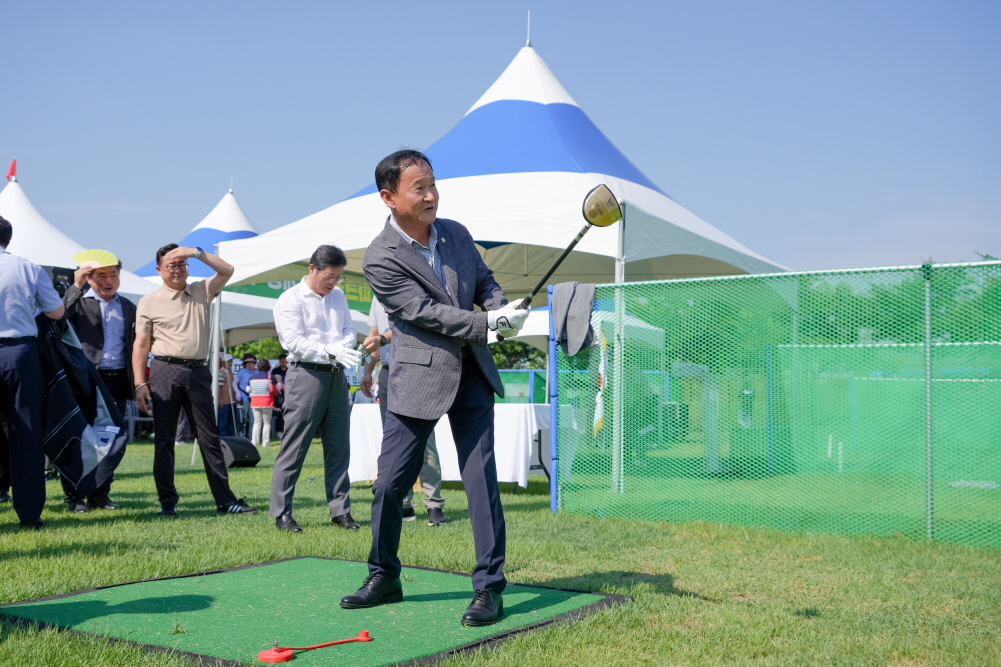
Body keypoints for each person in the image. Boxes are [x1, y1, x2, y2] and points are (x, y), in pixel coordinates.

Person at [341, 151, 529, 626]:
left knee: (479, 484)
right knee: (388, 485)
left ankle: (490, 588)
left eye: (432, 185)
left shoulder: (457, 233)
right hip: (418, 380)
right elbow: (422, 312)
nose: (431, 196)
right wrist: (488, 324)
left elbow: (485, 281)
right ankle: (384, 574)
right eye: (418, 188)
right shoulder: (379, 257)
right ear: (388, 197)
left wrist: (501, 307)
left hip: (472, 374)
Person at [132, 243, 257, 517]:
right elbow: (141, 344)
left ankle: (225, 501)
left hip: (199, 371)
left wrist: (196, 253)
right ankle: (168, 503)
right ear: (158, 270)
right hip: (165, 369)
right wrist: (140, 383)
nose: (177, 269)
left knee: (209, 437)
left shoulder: (202, 289)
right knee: (164, 440)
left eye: (181, 264)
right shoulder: (149, 301)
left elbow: (227, 269)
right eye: (171, 264)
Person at [269, 245, 363, 533]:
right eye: (329, 276)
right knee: (295, 446)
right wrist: (330, 350)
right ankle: (282, 512)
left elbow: (349, 329)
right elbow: (293, 343)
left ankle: (340, 511)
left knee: (339, 447)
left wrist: (343, 347)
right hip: (306, 375)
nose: (333, 282)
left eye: (338, 276)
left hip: (337, 376)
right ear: (312, 269)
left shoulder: (338, 296)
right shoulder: (290, 300)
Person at [0, 215, 66, 529]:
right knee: (25, 433)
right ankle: (29, 514)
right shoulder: (29, 268)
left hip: (16, 349)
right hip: (19, 352)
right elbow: (56, 311)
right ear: (8, 239)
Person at [60, 253, 136, 512]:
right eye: (102, 275)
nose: (109, 280)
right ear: (89, 278)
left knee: (111, 438)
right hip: (85, 380)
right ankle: (73, 495)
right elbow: (57, 319)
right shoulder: (78, 301)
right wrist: (75, 285)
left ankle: (100, 493)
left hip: (116, 380)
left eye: (113, 274)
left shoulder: (126, 305)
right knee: (80, 437)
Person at [362, 296, 446, 526]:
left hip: (415, 371)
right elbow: (373, 338)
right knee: (393, 441)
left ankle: (434, 504)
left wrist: (379, 339)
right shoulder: (376, 297)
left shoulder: (411, 289)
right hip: (388, 372)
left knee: (425, 440)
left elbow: (400, 330)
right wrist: (368, 370)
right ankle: (403, 502)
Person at [247, 358, 280, 447]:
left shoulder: (252, 377)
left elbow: (248, 390)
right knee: (266, 422)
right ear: (268, 367)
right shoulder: (271, 376)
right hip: (267, 402)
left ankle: (254, 442)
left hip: (255, 402)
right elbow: (278, 387)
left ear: (258, 366)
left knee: (257, 422)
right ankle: (265, 442)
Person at [235, 354, 256, 437]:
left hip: (254, 399)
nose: (249, 364)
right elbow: (234, 383)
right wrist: (237, 392)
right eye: (248, 363)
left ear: (255, 364)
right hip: (243, 397)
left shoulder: (257, 372)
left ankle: (252, 437)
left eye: (251, 363)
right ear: (245, 364)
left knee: (253, 419)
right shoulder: (242, 372)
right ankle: (242, 435)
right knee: (243, 418)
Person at [217, 353, 238, 438]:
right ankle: (222, 437)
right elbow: (218, 388)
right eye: (228, 362)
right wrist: (220, 400)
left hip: (231, 400)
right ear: (222, 363)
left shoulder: (231, 372)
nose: (230, 363)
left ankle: (229, 437)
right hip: (224, 401)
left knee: (231, 421)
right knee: (223, 420)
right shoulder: (220, 373)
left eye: (231, 361)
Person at [271, 353, 289, 438]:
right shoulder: (275, 371)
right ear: (279, 361)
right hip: (277, 395)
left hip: (288, 394)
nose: (283, 361)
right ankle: (279, 431)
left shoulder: (289, 370)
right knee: (280, 412)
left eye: (285, 360)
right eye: (281, 360)